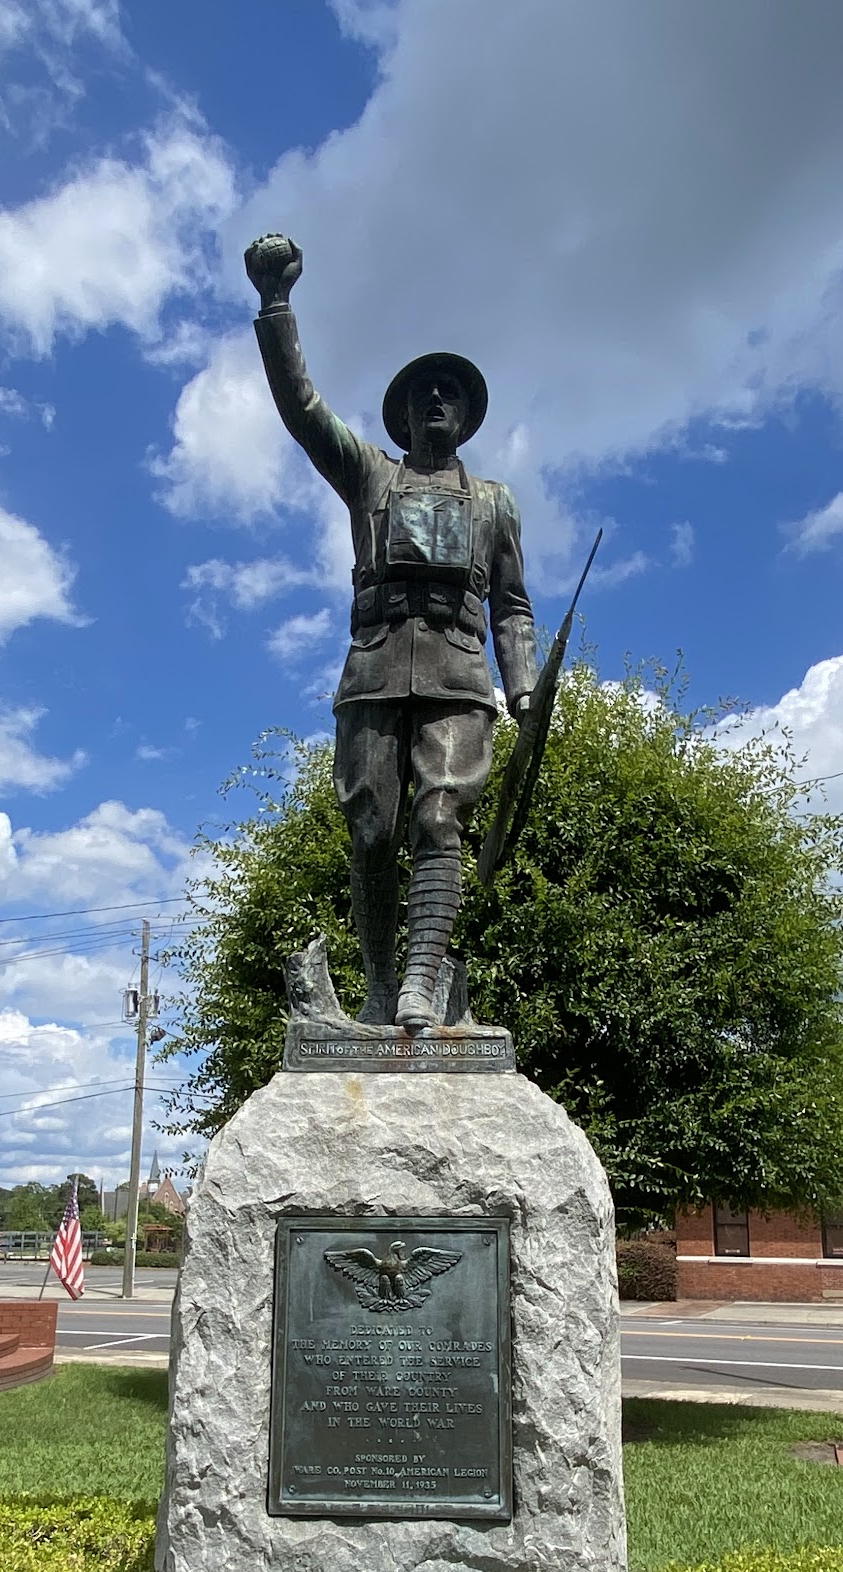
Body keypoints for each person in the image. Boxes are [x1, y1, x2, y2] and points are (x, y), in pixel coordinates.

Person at [245, 232, 539, 1031]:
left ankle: (421, 982)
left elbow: (513, 604)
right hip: (374, 669)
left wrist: (522, 686)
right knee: (372, 832)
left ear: (467, 415)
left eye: (449, 391)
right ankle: (380, 990)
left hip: (459, 674)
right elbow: (303, 411)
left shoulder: (497, 504)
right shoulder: (370, 474)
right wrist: (277, 304)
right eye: (423, 392)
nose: (436, 399)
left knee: (440, 817)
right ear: (405, 414)